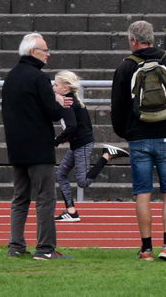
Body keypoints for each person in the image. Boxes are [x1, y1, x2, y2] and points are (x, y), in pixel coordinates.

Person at [110, 20, 166, 261]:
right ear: (152, 38)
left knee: (143, 192)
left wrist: (126, 132)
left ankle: (146, 249)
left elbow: (117, 107)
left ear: (134, 40)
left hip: (139, 137)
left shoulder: (125, 67)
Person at [1, 33, 71, 259]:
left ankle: (16, 245)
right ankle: (45, 249)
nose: (48, 53)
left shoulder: (11, 76)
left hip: (16, 146)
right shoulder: (39, 78)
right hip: (39, 147)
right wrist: (60, 103)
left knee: (20, 197)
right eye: (45, 50)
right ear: (34, 52)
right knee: (45, 198)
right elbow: (51, 112)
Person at [52, 71, 129, 222]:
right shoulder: (69, 99)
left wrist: (56, 140)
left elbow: (72, 127)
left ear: (65, 89)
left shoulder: (69, 102)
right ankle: (71, 211)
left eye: (56, 85)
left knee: (83, 182)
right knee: (60, 174)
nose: (53, 87)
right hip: (77, 143)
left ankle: (107, 154)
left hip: (82, 144)